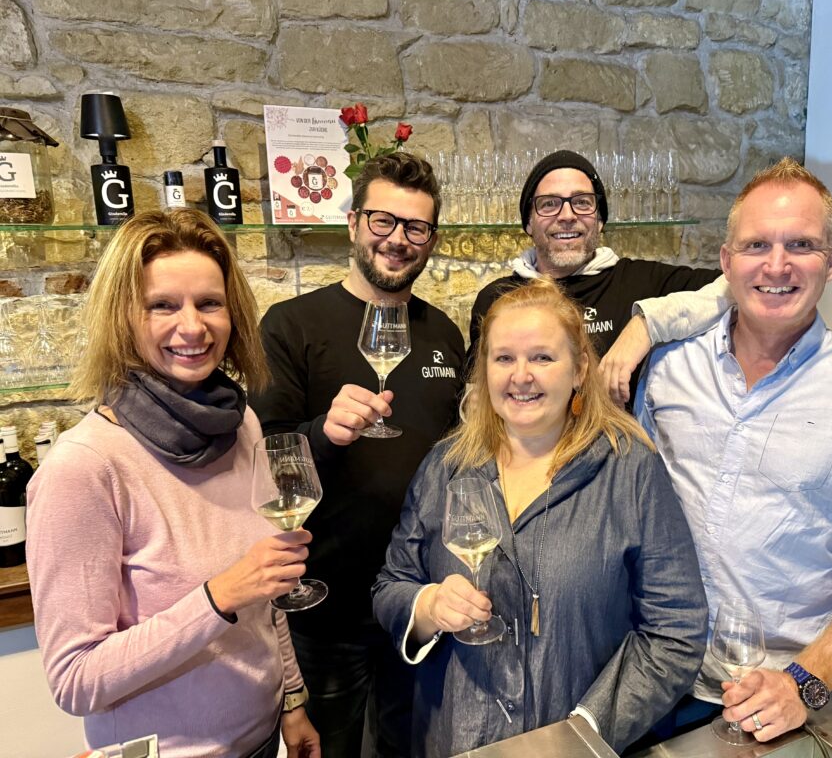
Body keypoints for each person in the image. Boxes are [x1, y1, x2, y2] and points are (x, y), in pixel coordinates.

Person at [635, 158, 832, 741]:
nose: (776, 265)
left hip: (776, 698)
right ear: (726, 262)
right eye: (757, 245)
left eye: (801, 244)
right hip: (649, 675)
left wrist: (803, 682)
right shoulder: (667, 369)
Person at [26, 209, 320, 758]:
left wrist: (292, 700)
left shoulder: (242, 423)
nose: (192, 327)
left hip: (260, 739)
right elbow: (76, 679)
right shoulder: (84, 467)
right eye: (162, 305)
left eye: (209, 303)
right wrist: (218, 597)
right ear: (122, 318)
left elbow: (266, 591)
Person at [373, 279, 708, 757]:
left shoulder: (630, 469)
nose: (521, 376)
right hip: (456, 741)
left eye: (543, 358)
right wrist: (427, 606)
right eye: (503, 358)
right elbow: (392, 584)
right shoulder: (446, 465)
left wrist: (582, 734)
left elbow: (675, 632)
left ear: (580, 369)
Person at [249, 152, 464, 757]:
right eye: (383, 220)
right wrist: (324, 432)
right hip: (326, 609)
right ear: (352, 224)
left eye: (415, 227)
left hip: (418, 601)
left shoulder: (444, 334)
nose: (398, 239)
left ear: (431, 240)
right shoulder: (291, 326)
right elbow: (260, 465)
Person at [467, 149, 729, 406]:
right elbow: (473, 400)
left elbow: (735, 285)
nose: (567, 216)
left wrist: (646, 324)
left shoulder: (642, 282)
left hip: (619, 436)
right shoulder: (497, 298)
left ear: (600, 220)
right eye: (549, 204)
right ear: (528, 223)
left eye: (582, 202)